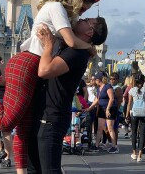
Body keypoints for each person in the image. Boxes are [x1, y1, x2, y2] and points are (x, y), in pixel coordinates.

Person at [0, 0, 104, 174]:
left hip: (34, 65)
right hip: (27, 63)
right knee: (7, 123)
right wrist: (91, 49)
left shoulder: (65, 19)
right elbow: (71, 42)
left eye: (87, 13)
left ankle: (21, 171)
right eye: (84, 7)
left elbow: (68, 41)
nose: (83, 13)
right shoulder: (56, 8)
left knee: (25, 128)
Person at [27, 16, 107, 174]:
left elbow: (44, 71)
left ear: (90, 31)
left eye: (86, 20)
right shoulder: (73, 47)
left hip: (51, 119)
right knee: (34, 169)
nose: (81, 18)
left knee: (49, 170)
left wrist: (48, 45)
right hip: (43, 115)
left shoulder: (76, 53)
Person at [86, 72, 118, 154]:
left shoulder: (108, 86)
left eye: (95, 80)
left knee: (110, 128)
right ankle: (96, 146)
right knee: (100, 128)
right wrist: (89, 108)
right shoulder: (98, 88)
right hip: (101, 109)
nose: (94, 81)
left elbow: (111, 99)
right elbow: (97, 100)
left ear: (98, 80)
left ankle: (114, 146)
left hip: (110, 109)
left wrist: (108, 109)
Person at [126, 73, 145, 162]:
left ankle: (134, 153)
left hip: (134, 113)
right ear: (143, 81)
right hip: (144, 113)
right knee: (142, 133)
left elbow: (129, 103)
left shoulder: (132, 90)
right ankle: (140, 155)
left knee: (134, 132)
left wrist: (127, 114)